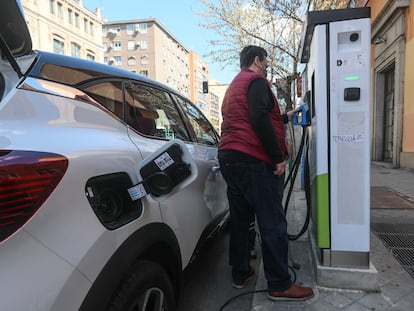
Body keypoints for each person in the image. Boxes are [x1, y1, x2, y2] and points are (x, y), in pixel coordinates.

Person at [218, 45, 314, 301]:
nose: (267, 66)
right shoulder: (257, 81)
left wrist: (284, 117)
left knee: (241, 219)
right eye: (266, 61)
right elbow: (258, 117)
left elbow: (245, 119)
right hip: (254, 160)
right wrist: (276, 156)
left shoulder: (234, 86)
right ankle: (280, 284)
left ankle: (240, 273)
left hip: (230, 157)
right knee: (272, 221)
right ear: (257, 60)